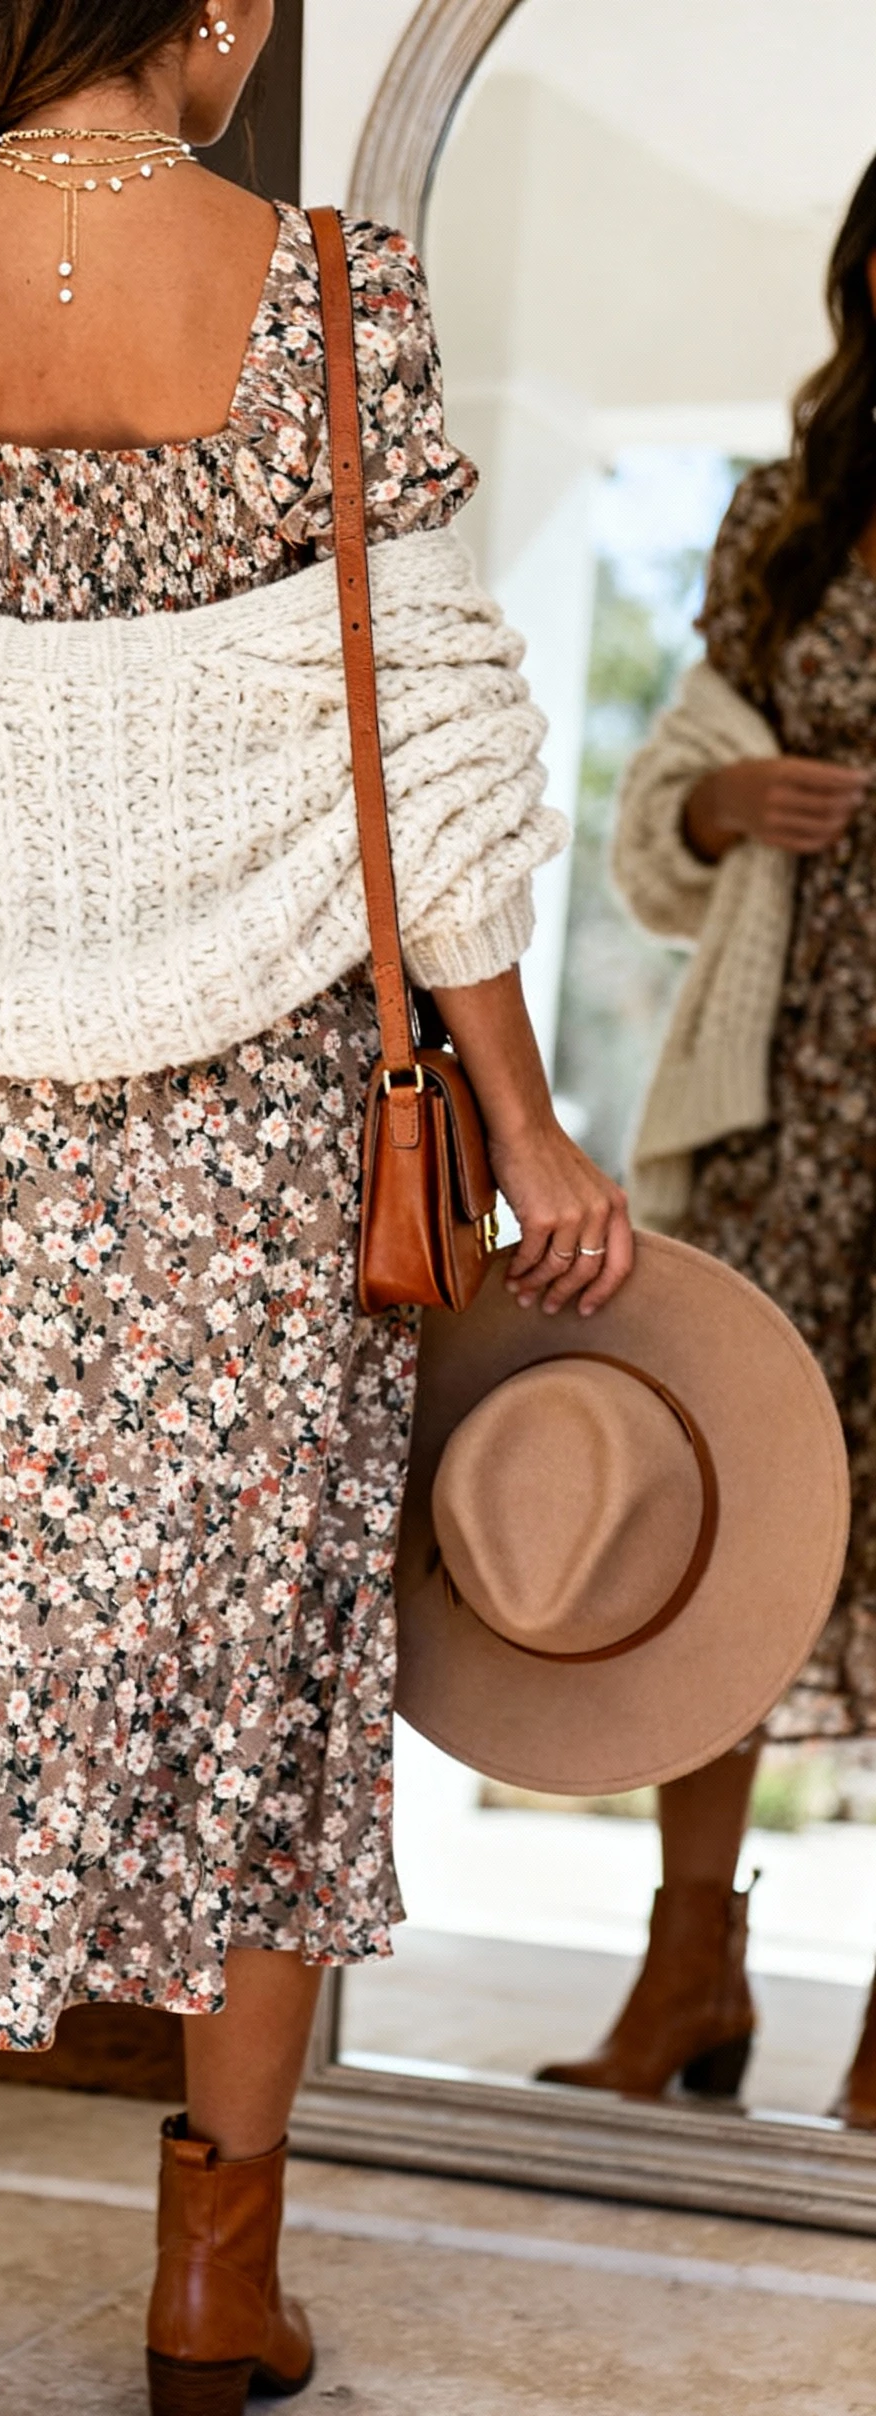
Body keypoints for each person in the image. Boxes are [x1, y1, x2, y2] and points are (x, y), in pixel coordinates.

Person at [0, 0, 629, 2416]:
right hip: (268, 1165)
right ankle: (216, 2289)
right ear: (211, 21)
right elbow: (431, 756)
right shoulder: (336, 292)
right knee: (256, 1684)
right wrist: (523, 1127)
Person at [540, 155, 876, 2118]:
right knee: (735, 1536)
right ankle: (690, 1974)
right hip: (784, 1110)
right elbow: (648, 821)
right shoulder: (791, 522)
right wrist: (728, 803)